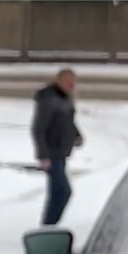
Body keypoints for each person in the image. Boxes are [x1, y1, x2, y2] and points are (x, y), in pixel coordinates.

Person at [32, 68, 83, 226]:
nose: (71, 86)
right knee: (62, 192)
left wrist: (76, 135)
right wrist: (43, 155)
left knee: (57, 193)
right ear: (59, 81)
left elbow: (67, 121)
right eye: (68, 83)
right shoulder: (49, 100)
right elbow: (38, 129)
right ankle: (48, 226)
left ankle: (49, 226)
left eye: (73, 83)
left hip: (61, 152)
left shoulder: (64, 98)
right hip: (52, 153)